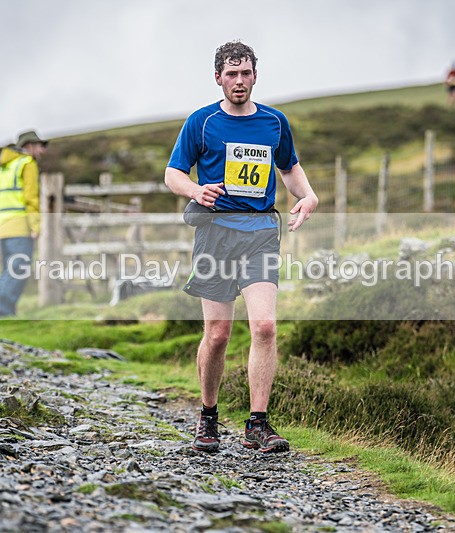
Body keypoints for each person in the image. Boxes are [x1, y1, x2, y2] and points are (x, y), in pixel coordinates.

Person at [164, 41, 319, 453]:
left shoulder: (273, 122)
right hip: (215, 234)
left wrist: (308, 196)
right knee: (217, 334)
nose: (239, 81)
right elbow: (172, 174)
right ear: (218, 77)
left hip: (261, 232)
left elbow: (289, 167)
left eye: (246, 73)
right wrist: (197, 190)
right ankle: (208, 418)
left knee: (265, 327)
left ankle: (258, 424)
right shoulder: (201, 122)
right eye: (231, 74)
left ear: (255, 75)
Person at [0, 130, 47, 318]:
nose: (42, 151)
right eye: (39, 146)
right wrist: (35, 225)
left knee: (7, 271)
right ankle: (2, 313)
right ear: (28, 146)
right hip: (19, 226)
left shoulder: (1, 169)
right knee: (18, 270)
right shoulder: (27, 164)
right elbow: (31, 198)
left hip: (2, 226)